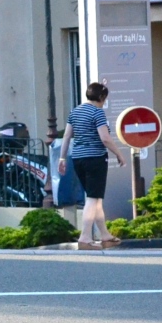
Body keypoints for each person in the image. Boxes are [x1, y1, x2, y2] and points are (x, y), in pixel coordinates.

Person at [58, 82, 126, 249]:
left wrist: (62, 159)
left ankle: (104, 235)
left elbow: (66, 137)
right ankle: (85, 237)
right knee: (93, 198)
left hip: (78, 158)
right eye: (104, 98)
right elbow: (105, 138)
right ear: (102, 97)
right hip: (95, 159)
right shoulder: (97, 113)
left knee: (95, 198)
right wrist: (119, 154)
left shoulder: (75, 112)